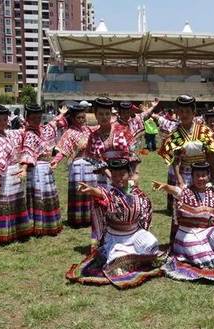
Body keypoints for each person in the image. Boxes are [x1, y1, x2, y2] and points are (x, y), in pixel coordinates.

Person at [66, 159, 163, 289]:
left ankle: (136, 256)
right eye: (115, 175)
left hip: (134, 233)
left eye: (122, 175)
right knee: (117, 264)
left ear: (128, 175)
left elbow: (143, 204)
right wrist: (92, 190)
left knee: (152, 244)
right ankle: (125, 256)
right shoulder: (110, 192)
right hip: (117, 239)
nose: (118, 178)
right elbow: (101, 194)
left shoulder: (134, 190)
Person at [149, 95, 214, 212]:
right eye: (181, 111)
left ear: (194, 113)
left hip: (202, 175)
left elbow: (211, 156)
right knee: (183, 208)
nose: (184, 115)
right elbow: (176, 160)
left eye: (188, 111)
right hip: (184, 175)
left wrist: (213, 177)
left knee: (203, 207)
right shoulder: (175, 134)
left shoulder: (204, 131)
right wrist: (180, 181)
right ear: (177, 113)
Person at [0, 104, 31, 244]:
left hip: (15, 171)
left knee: (17, 202)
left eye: (5, 119)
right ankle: (5, 234)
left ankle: (19, 230)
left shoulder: (10, 133)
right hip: (4, 175)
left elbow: (24, 132)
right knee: (5, 203)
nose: (3, 123)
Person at [21, 103, 63, 237]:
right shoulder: (29, 134)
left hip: (46, 167)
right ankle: (40, 226)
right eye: (33, 118)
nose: (36, 121)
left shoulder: (43, 129)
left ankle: (50, 224)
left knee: (47, 195)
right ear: (27, 119)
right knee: (39, 196)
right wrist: (23, 168)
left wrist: (62, 114)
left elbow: (53, 124)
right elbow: (27, 152)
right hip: (36, 169)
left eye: (38, 118)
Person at [51, 104, 96, 227]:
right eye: (79, 118)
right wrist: (56, 160)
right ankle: (77, 219)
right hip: (77, 165)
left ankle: (90, 217)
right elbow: (63, 150)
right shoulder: (69, 133)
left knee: (90, 191)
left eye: (83, 117)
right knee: (78, 192)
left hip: (90, 164)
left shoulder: (88, 129)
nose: (82, 120)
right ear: (73, 119)